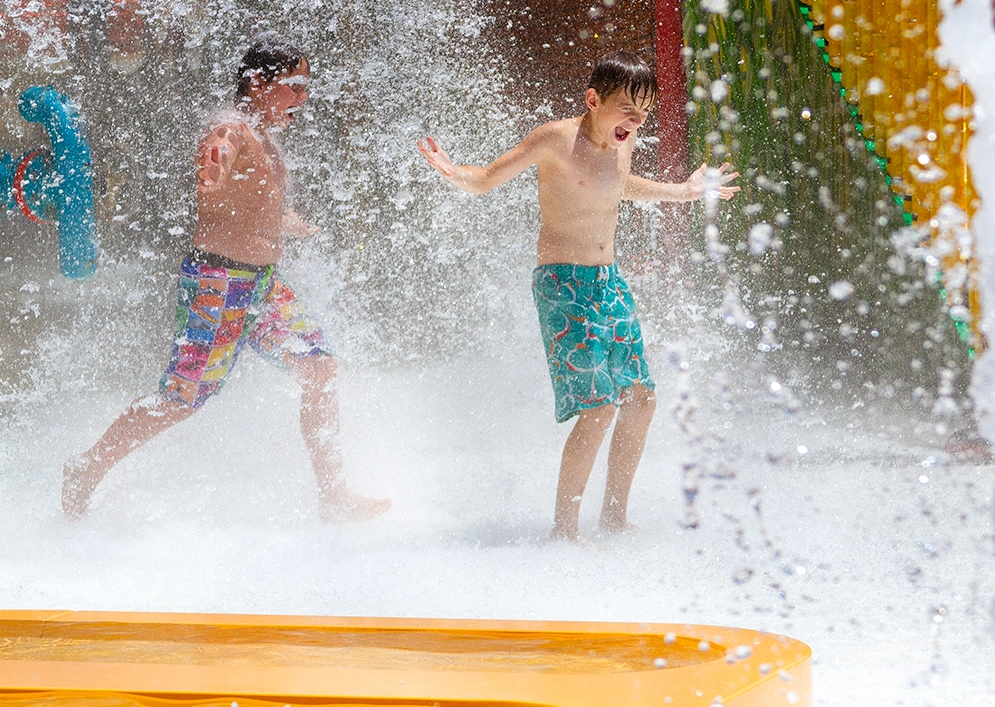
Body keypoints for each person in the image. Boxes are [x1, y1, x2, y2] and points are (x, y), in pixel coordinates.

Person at [63, 41, 390, 523]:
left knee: (319, 369)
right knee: (181, 399)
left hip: (262, 285)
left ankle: (334, 495)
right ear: (258, 83)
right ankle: (86, 468)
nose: (303, 96)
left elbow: (251, 200)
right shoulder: (233, 127)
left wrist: (285, 220)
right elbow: (218, 150)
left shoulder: (264, 134)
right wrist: (211, 166)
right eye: (294, 85)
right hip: (220, 282)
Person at [418, 50, 739, 540]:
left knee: (641, 399)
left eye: (645, 111)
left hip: (608, 282)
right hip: (562, 284)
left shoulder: (621, 144)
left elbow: (615, 187)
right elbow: (485, 179)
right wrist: (453, 170)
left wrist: (683, 192)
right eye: (627, 109)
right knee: (598, 408)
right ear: (592, 100)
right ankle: (563, 532)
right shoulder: (555, 140)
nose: (637, 121)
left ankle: (613, 516)